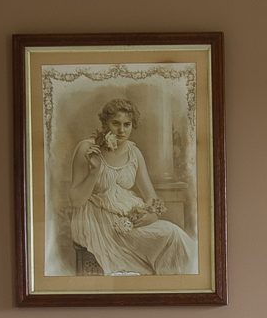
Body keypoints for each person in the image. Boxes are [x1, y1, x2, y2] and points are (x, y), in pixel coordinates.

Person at [63, 98, 195, 275]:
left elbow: (152, 197)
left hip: (129, 216)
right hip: (96, 220)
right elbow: (76, 200)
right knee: (170, 236)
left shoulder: (134, 152)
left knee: (174, 234)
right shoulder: (87, 148)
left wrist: (152, 216)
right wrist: (95, 172)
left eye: (127, 124)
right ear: (104, 123)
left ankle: (178, 286)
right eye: (115, 123)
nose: (121, 130)